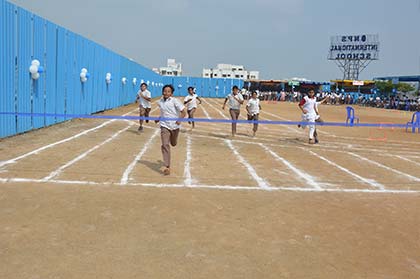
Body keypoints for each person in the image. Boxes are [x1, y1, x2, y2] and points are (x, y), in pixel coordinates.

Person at [155, 84, 186, 175]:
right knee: (165, 144)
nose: (166, 93)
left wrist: (179, 120)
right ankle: (167, 166)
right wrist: (159, 118)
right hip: (164, 126)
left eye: (168, 91)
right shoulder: (160, 101)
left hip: (175, 127)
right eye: (165, 91)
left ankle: (174, 140)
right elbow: (163, 113)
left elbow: (184, 111)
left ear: (171, 93)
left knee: (173, 143)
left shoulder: (175, 101)